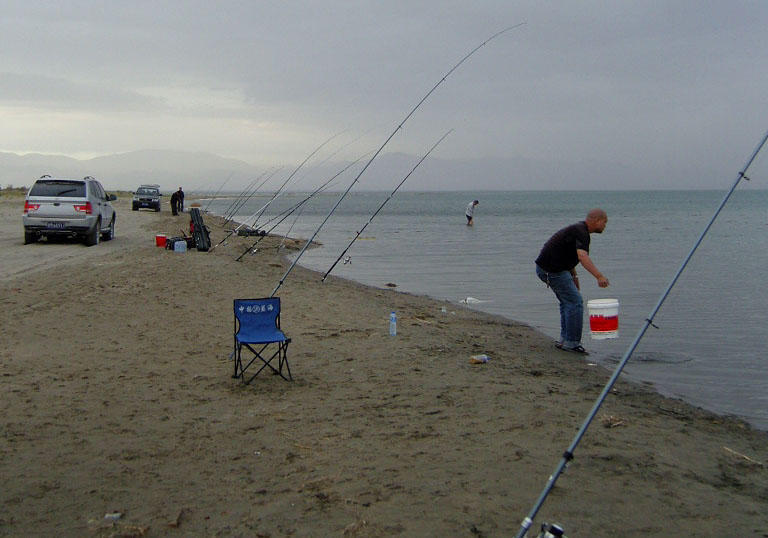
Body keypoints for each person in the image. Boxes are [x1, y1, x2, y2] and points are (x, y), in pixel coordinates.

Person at [535, 208, 610, 354]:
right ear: (597, 220)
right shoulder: (581, 232)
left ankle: (564, 340)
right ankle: (572, 343)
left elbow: (567, 255)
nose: (605, 226)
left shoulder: (578, 230)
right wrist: (599, 276)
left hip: (549, 268)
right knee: (575, 302)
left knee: (567, 301)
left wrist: (574, 277)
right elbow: (582, 257)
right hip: (551, 270)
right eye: (604, 222)